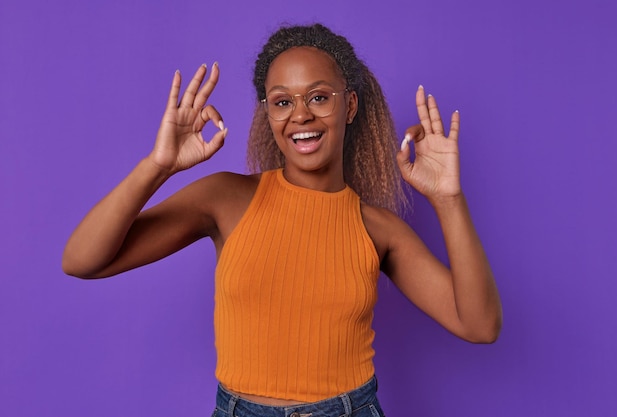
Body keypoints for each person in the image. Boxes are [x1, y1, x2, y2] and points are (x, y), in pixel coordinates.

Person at [63, 23, 502, 417]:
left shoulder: (378, 229)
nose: (300, 115)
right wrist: (157, 166)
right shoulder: (226, 198)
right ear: (268, 113)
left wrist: (448, 199)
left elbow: (480, 326)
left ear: (348, 105)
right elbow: (83, 260)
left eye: (317, 97)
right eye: (282, 101)